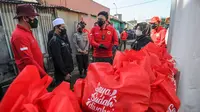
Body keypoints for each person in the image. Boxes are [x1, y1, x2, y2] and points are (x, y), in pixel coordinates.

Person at [11, 4, 47, 77]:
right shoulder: (19, 35)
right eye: (33, 17)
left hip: (38, 72)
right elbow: (28, 60)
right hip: (32, 75)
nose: (35, 19)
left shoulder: (27, 32)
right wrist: (44, 74)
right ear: (25, 18)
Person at [48, 18, 74, 85]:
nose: (64, 29)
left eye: (64, 27)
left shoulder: (62, 38)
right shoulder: (55, 41)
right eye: (62, 27)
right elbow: (58, 59)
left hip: (67, 70)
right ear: (56, 28)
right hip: (62, 73)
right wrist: (65, 73)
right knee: (63, 91)